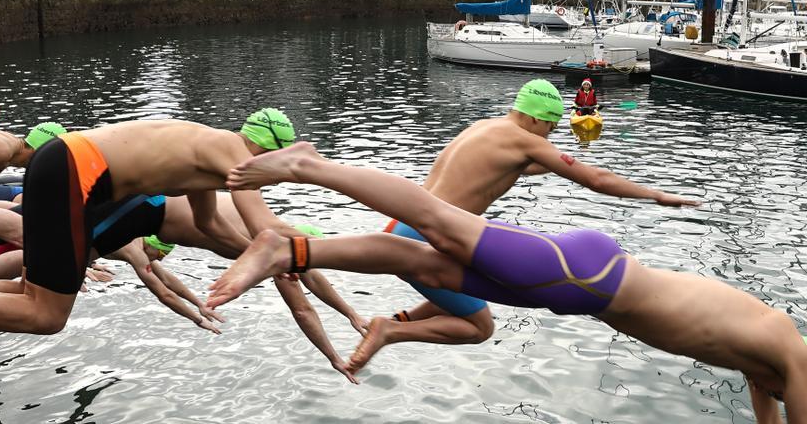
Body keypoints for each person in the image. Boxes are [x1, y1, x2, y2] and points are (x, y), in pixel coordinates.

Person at [207, 142, 806, 421]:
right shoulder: (792, 356)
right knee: (435, 224)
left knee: (418, 260)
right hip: (588, 277)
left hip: (579, 292)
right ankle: (308, 166)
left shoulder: (768, 364)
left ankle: (290, 249)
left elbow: (770, 406)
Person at [0, 112, 363, 355]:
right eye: (275, 171)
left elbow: (212, 225)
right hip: (78, 174)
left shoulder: (208, 155)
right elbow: (268, 231)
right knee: (45, 314)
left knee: (34, 297)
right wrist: (311, 253)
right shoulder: (234, 156)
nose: (268, 183)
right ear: (266, 153)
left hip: (66, 165)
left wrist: (265, 261)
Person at [358, 79, 698, 371]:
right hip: (427, 239)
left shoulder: (485, 129)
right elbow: (595, 179)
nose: (549, 139)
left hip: (403, 226)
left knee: (481, 282)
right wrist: (656, 195)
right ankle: (390, 331)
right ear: (536, 118)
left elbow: (532, 164)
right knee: (479, 327)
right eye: (550, 129)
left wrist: (574, 152)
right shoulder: (524, 141)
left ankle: (400, 321)